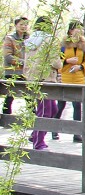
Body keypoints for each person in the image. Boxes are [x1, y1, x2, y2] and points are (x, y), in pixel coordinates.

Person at [23, 16, 62, 151]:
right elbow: (55, 61)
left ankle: (35, 135)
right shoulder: (49, 40)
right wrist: (60, 64)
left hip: (33, 78)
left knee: (53, 109)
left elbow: (26, 60)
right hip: (45, 79)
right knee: (45, 111)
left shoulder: (30, 40)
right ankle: (38, 142)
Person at [53, 21, 85, 142]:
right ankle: (54, 130)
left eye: (82, 29)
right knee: (61, 105)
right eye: (77, 29)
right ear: (70, 31)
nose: (80, 31)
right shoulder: (63, 44)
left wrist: (80, 67)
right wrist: (67, 61)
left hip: (79, 78)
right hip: (65, 77)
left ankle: (77, 133)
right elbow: (56, 61)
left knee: (77, 106)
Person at [3, 16, 29, 114]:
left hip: (25, 72)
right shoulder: (10, 38)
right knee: (10, 96)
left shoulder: (29, 39)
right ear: (16, 25)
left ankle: (33, 117)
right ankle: (6, 117)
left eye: (25, 25)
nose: (23, 27)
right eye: (21, 24)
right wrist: (24, 62)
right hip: (12, 72)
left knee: (29, 96)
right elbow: (8, 57)